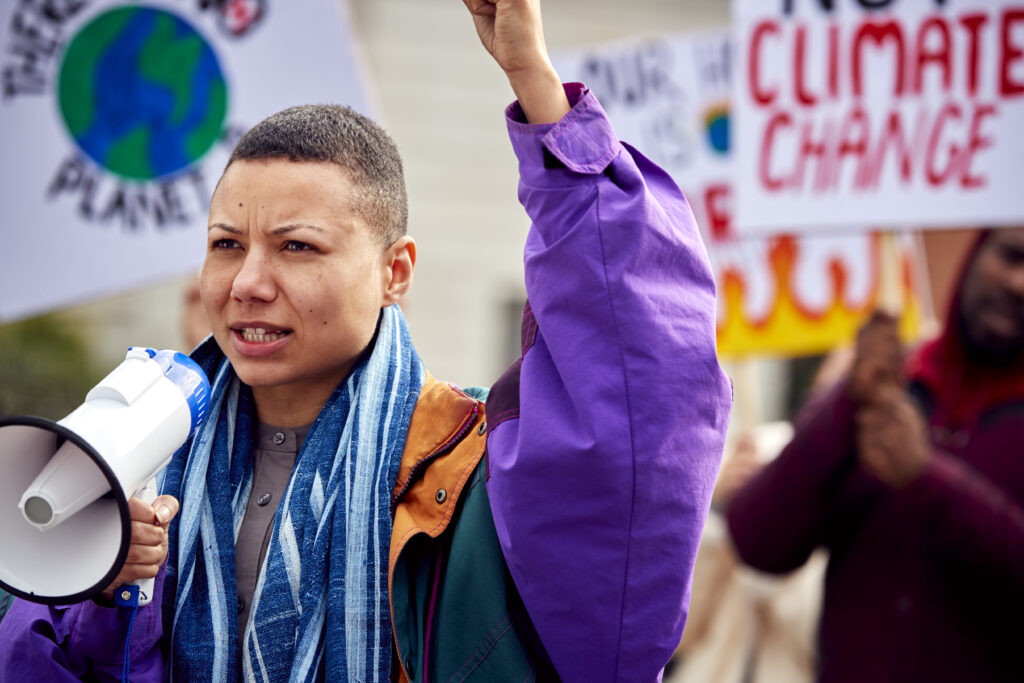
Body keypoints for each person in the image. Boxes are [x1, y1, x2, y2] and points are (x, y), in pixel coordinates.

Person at [0, 1, 730, 681]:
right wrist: (100, 593)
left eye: (298, 247)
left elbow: (641, 389)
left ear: (394, 271)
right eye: (227, 243)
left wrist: (536, 84)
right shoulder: (128, 463)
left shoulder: (476, 471)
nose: (247, 281)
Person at [726, 228, 1024, 682]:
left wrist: (927, 480)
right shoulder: (885, 391)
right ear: (975, 253)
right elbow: (758, 541)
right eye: (1012, 255)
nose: (1018, 284)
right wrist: (844, 404)